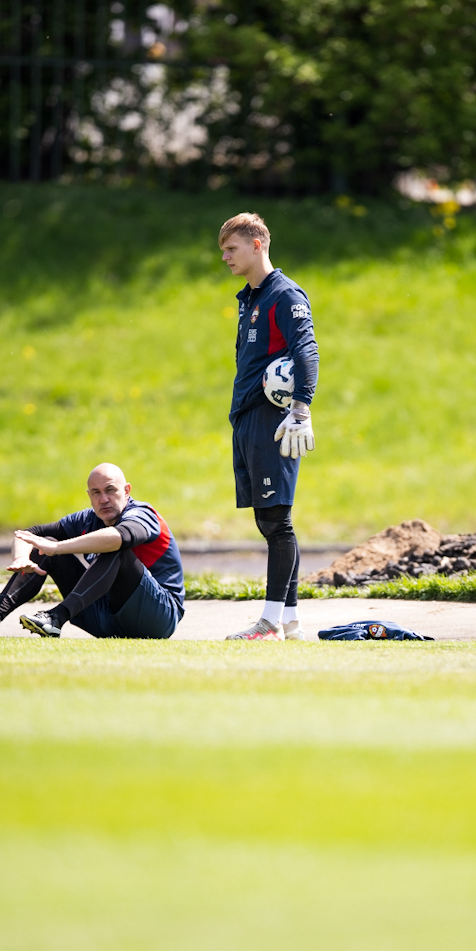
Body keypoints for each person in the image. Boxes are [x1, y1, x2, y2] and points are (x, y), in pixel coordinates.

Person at [0, 463, 184, 640]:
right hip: (107, 618)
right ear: (89, 496)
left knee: (114, 548)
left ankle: (56, 617)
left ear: (127, 491)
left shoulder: (142, 514)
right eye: (96, 493)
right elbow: (29, 533)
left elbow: (121, 537)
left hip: (158, 618)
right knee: (46, 541)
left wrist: (57, 548)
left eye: (111, 490)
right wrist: (22, 556)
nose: (104, 499)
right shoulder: (87, 518)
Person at [219, 212, 318, 641]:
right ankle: (290, 621)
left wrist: (301, 409)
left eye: (232, 249)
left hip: (273, 420)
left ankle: (270, 622)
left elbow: (307, 350)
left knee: (277, 522)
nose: (225, 257)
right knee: (269, 521)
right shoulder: (250, 299)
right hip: (246, 418)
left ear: (257, 245)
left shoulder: (285, 295)